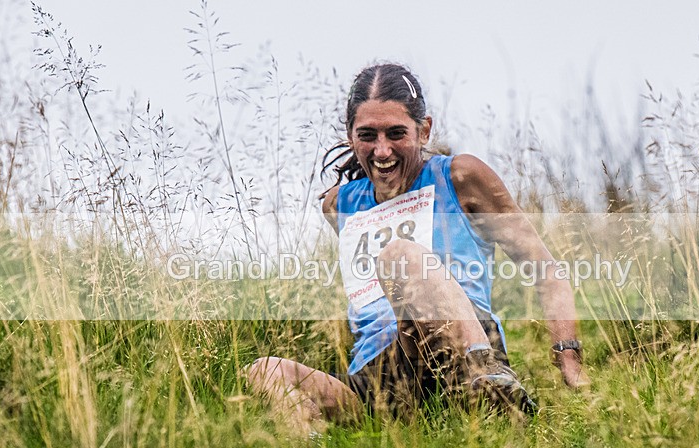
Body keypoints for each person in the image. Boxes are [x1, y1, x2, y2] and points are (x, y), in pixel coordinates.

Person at [247, 63, 589, 429]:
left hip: (458, 345)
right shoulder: (339, 205)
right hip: (376, 378)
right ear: (350, 136)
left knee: (400, 255)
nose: (381, 151)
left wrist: (568, 358)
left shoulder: (459, 177)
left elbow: (545, 270)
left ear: (424, 130)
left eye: (396, 133)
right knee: (263, 371)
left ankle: (489, 386)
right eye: (368, 135)